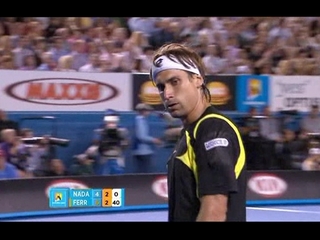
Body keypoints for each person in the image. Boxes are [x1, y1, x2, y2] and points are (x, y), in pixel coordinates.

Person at [150, 42, 246, 222]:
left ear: (197, 79)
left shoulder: (213, 129)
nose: (167, 94)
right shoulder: (189, 134)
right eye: (161, 87)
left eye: (174, 81)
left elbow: (215, 210)